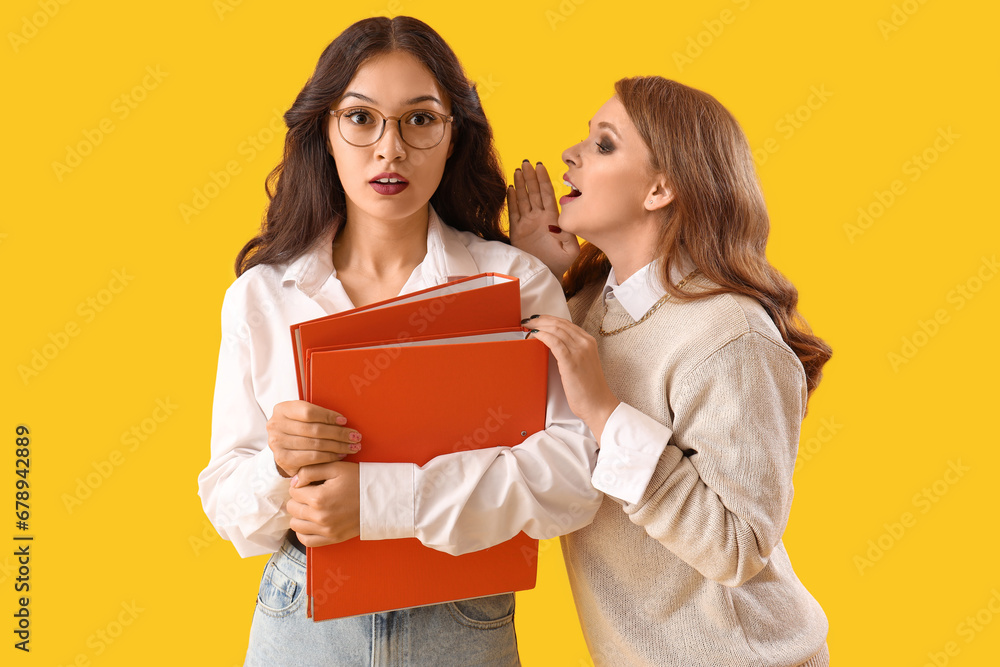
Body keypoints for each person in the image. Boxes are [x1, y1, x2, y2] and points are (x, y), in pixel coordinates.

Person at [197, 16, 604, 666]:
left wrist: (382, 501)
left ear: (453, 137)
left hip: (463, 620)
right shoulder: (262, 296)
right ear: (326, 133)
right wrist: (277, 463)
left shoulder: (514, 282)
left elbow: (576, 478)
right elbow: (229, 509)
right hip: (300, 619)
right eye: (361, 119)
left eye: (419, 120)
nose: (390, 149)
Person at [509, 76, 832, 666]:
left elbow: (739, 546)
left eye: (604, 145)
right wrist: (541, 277)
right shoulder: (586, 310)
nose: (570, 156)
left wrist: (606, 415)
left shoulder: (729, 336)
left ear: (660, 188)